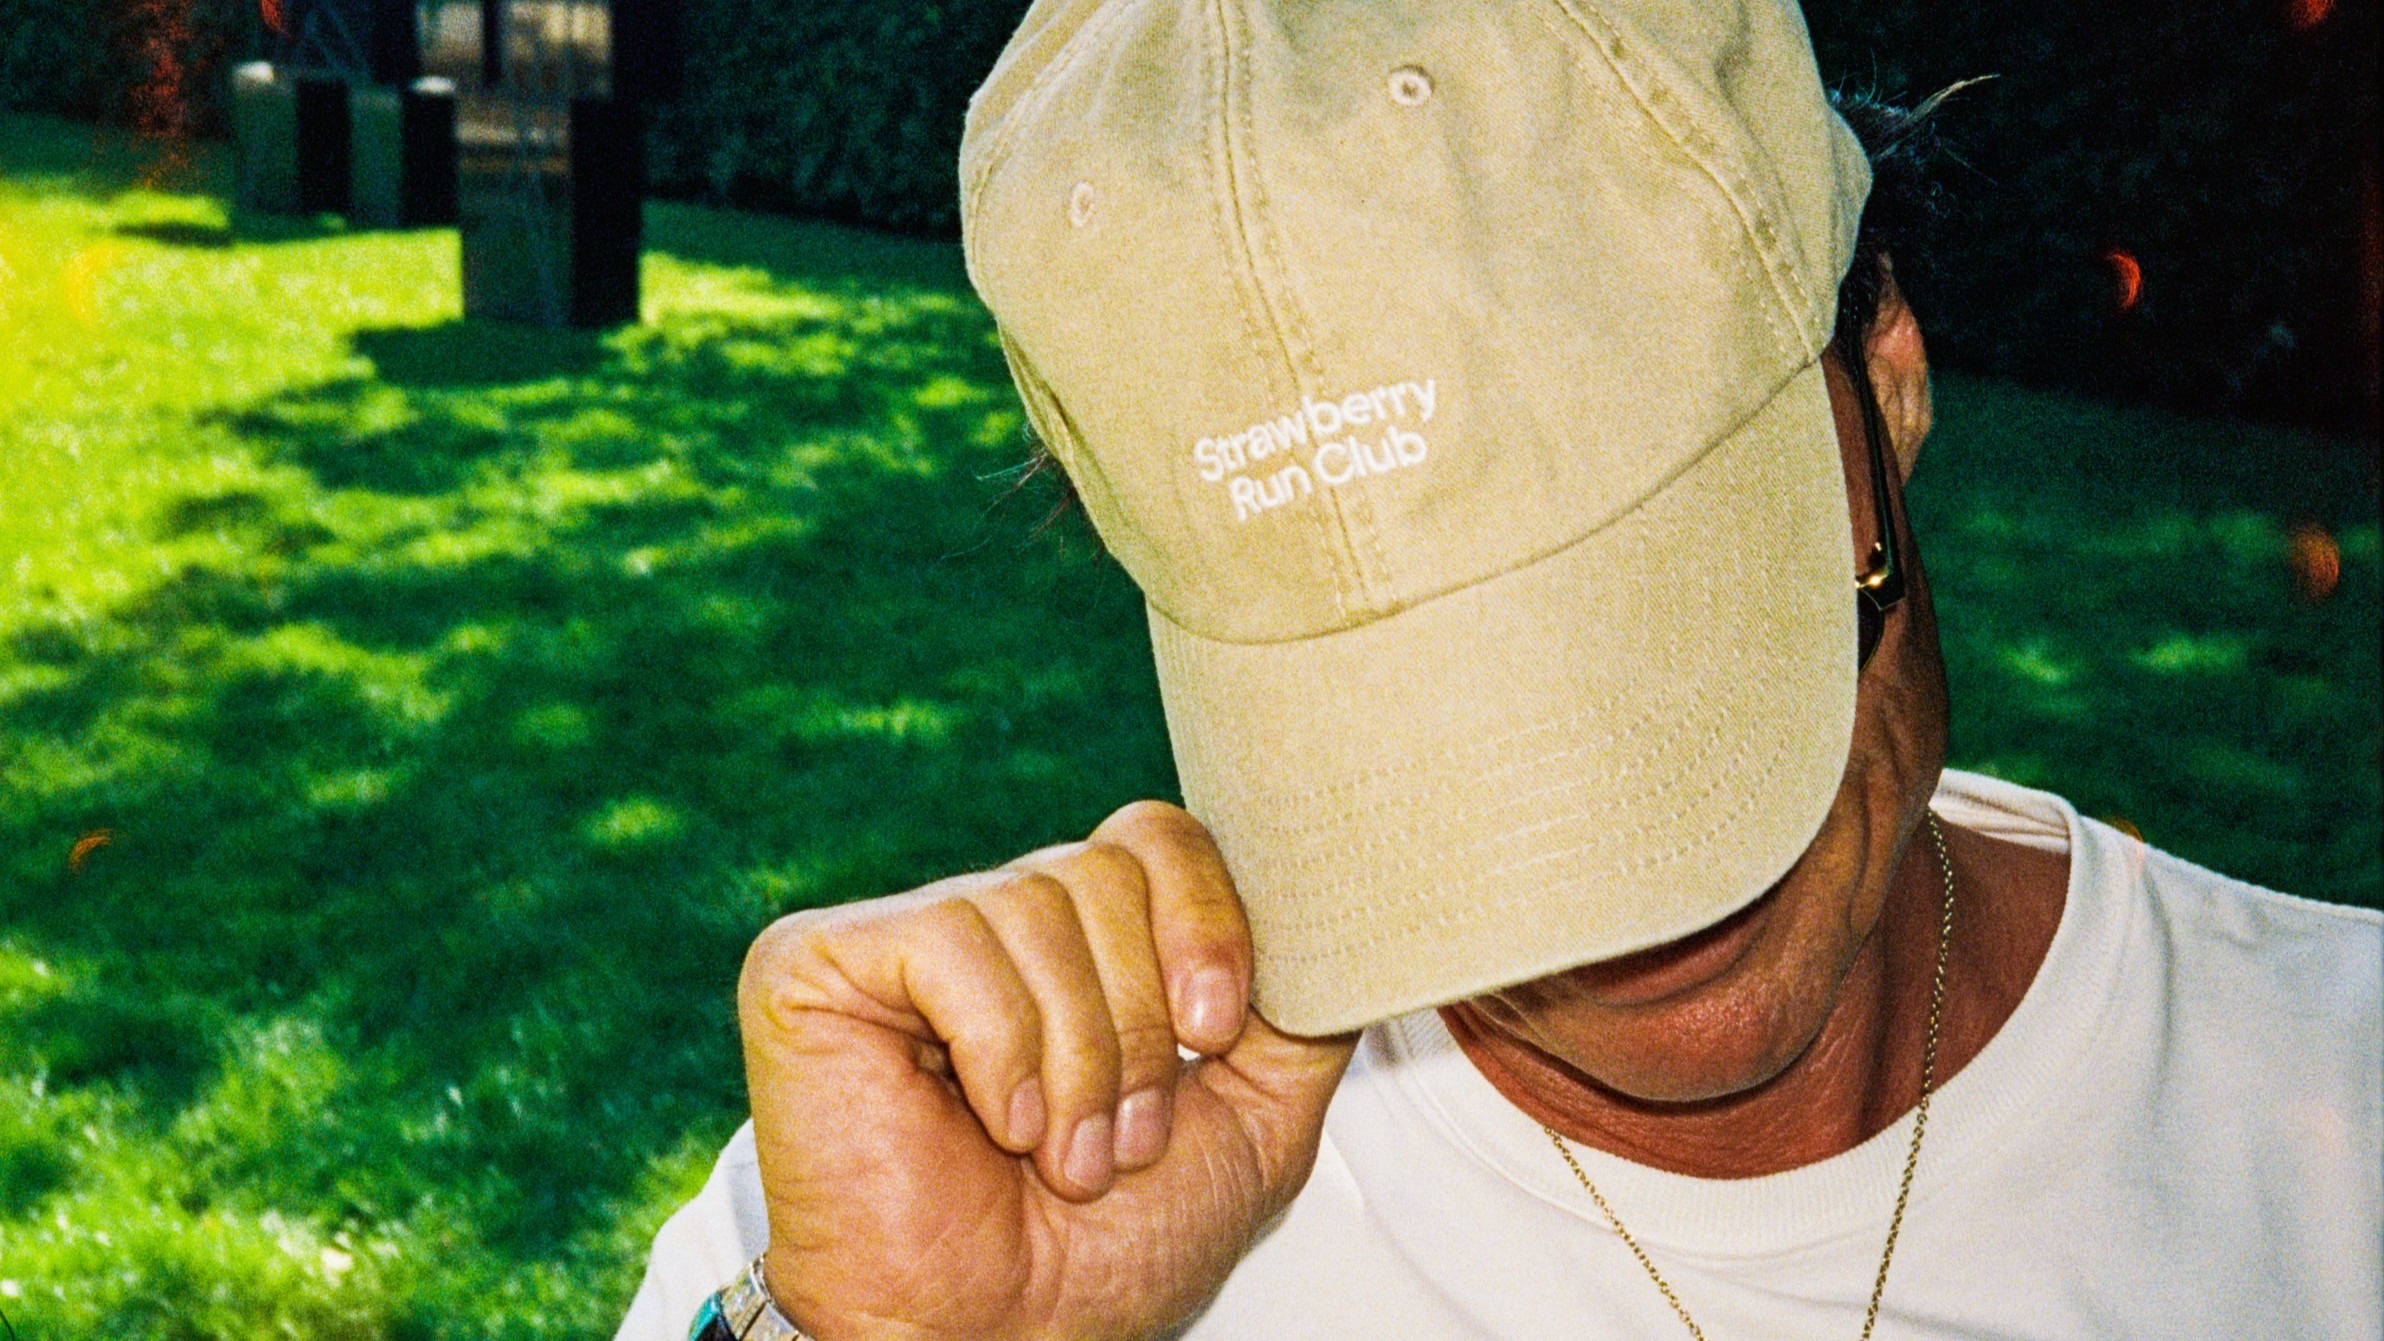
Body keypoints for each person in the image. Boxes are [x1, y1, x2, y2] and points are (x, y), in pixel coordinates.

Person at [619, 1, 2383, 1337]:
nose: (1630, 906)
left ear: (1888, 372)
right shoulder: (918, 1210)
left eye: (1662, 627)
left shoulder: (2338, 1124)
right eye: (1421, 733)